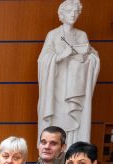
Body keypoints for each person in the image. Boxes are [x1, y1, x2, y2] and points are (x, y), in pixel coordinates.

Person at [38, 0, 100, 145]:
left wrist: (86, 55)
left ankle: (73, 149)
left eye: (76, 12)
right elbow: (43, 60)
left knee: (74, 121)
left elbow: (92, 57)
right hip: (57, 89)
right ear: (61, 14)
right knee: (57, 122)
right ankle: (55, 150)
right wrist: (61, 55)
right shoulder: (53, 35)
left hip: (75, 88)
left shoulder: (82, 35)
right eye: (69, 11)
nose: (73, 14)